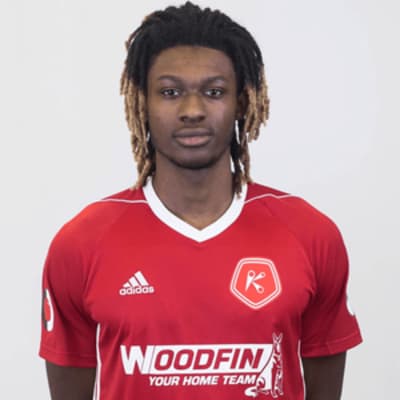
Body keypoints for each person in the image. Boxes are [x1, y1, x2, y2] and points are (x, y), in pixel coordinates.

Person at [39, 2, 362, 399]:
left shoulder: (310, 234)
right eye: (170, 92)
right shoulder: (81, 244)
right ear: (142, 103)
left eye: (214, 92)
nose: (192, 110)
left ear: (242, 102)